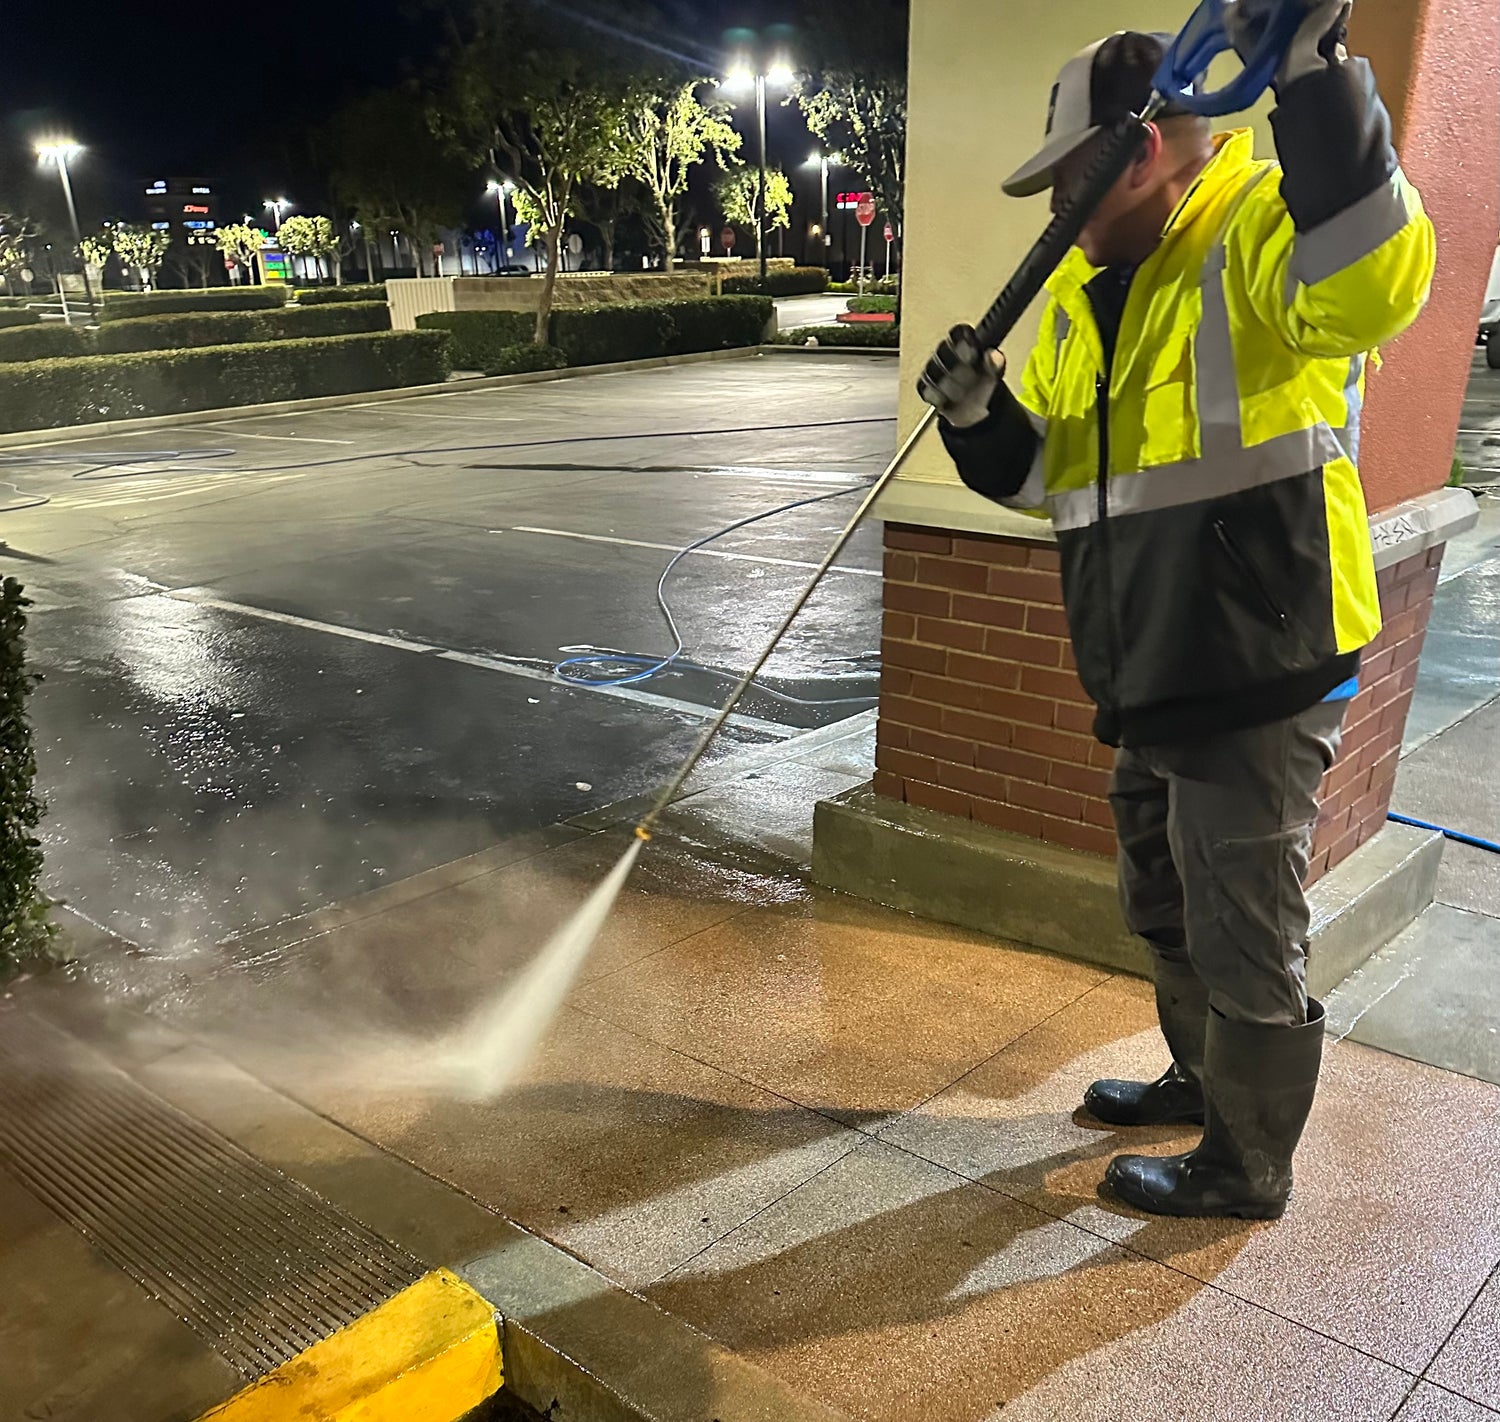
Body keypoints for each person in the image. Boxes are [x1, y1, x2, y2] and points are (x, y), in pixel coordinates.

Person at [917, 3, 1434, 1219]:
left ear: (1137, 152)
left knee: (1247, 929)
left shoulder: (1254, 229)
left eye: (1066, 183)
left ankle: (1248, 1164)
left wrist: (1312, 78)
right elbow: (1053, 481)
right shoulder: (1093, 300)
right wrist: (979, 415)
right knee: (1164, 902)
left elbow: (1373, 289)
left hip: (1258, 667)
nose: (1056, 213)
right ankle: (1203, 1084)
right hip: (1150, 668)